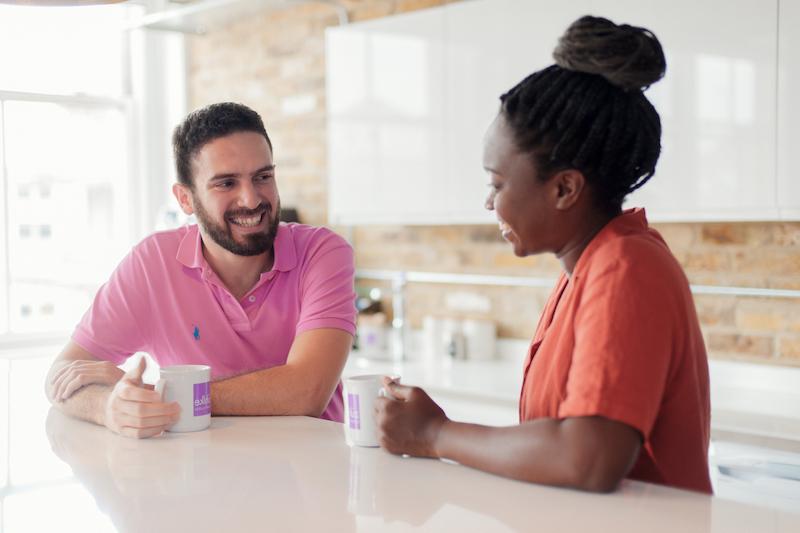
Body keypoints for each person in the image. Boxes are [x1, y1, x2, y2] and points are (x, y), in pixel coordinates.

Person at [375, 16, 712, 494]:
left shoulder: (625, 268)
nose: (488, 202)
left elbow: (588, 458)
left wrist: (435, 434)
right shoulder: (586, 269)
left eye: (497, 183)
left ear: (564, 188)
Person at [45, 102, 356, 438]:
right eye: (226, 184)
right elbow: (61, 374)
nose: (251, 199)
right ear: (185, 199)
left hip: (311, 474)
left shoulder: (323, 253)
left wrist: (162, 394)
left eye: (262, 177)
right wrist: (108, 407)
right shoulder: (152, 264)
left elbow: (306, 392)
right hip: (194, 479)